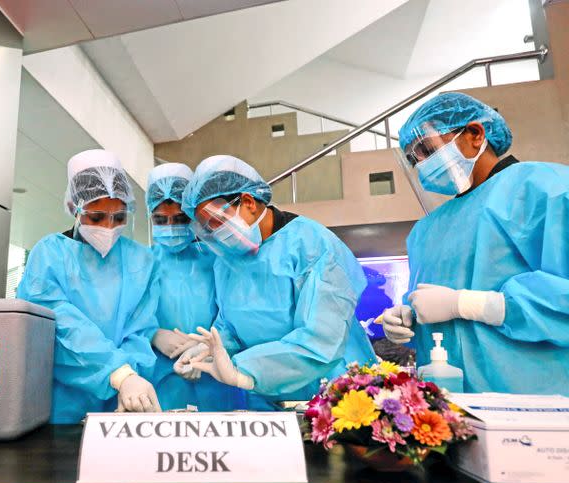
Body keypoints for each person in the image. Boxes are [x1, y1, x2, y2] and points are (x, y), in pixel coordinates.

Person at [382, 92, 569, 394]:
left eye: (427, 149)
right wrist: (409, 317)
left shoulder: (544, 188)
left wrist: (468, 304)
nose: (422, 164)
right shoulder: (426, 229)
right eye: (414, 159)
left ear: (474, 133)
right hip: (445, 406)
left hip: (534, 399)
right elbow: (439, 309)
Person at [178, 155, 376, 410]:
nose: (215, 234)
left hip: (335, 395)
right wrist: (213, 348)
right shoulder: (227, 261)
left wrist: (241, 369)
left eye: (217, 221)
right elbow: (232, 326)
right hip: (265, 396)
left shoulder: (312, 245)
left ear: (248, 202)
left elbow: (321, 341)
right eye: (207, 228)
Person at [17, 149, 161, 423]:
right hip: (63, 401)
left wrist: (132, 376)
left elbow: (140, 330)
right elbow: (60, 325)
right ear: (74, 208)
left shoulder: (142, 260)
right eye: (96, 218)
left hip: (127, 398)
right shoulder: (49, 254)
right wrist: (118, 373)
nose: (108, 227)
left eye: (119, 218)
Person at [146, 162, 245, 411]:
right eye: (160, 219)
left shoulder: (218, 258)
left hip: (218, 377)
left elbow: (237, 316)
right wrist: (152, 334)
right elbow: (125, 319)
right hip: (160, 380)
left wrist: (210, 347)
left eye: (180, 219)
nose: (170, 227)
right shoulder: (141, 264)